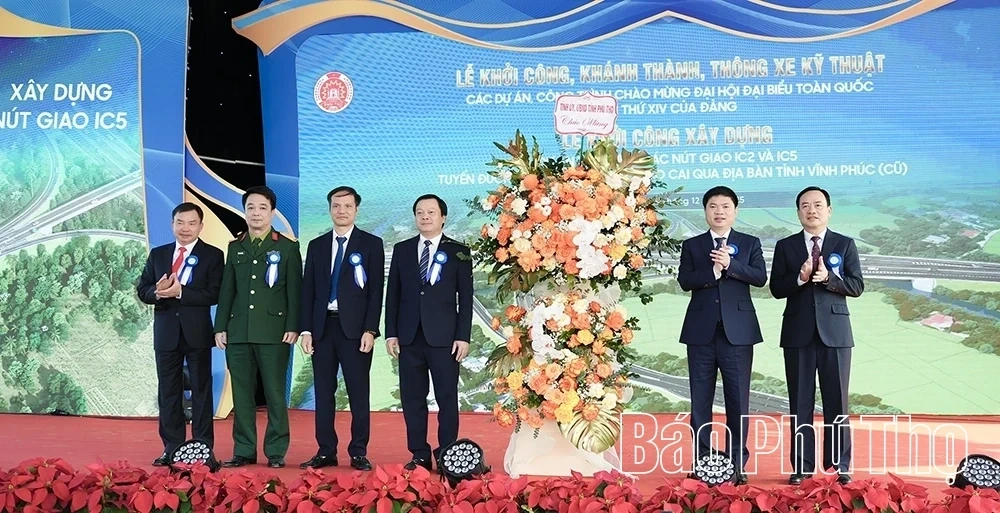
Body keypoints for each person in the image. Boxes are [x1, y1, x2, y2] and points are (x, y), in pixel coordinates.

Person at [770, 186, 864, 485]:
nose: (812, 210)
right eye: (805, 205)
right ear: (798, 212)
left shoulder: (844, 244)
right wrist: (800, 278)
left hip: (835, 334)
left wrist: (829, 279)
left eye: (818, 205)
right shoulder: (786, 246)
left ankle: (839, 466)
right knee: (800, 403)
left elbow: (857, 286)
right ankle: (802, 465)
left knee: (837, 402)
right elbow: (776, 288)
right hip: (797, 333)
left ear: (829, 210)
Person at [676, 186, 767, 484]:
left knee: (737, 401)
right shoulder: (692, 245)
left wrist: (731, 266)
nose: (719, 211)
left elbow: (759, 277)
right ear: (705, 211)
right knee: (700, 402)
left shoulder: (749, 243)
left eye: (725, 206)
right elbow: (685, 281)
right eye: (713, 206)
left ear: (735, 211)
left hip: (738, 335)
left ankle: (737, 464)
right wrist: (712, 273)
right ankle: (703, 462)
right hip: (700, 334)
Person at [214, 185, 302, 468]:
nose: (256, 213)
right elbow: (227, 290)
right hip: (239, 332)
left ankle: (276, 451)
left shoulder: (287, 247)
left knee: (274, 394)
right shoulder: (235, 246)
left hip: (275, 332)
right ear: (244, 211)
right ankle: (244, 450)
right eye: (250, 207)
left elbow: (294, 291)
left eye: (262, 207)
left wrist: (293, 325)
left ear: (272, 212)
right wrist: (220, 326)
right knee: (242, 395)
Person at [384, 194, 473, 471]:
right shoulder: (402, 250)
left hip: (445, 339)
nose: (425, 217)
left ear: (443, 217)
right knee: (412, 399)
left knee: (447, 398)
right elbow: (393, 294)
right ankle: (419, 454)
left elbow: (466, 298)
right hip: (409, 337)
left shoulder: (459, 251)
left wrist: (463, 336)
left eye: (431, 212)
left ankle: (447, 453)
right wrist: (391, 333)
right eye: (420, 212)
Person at [298, 186, 384, 471]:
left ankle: (358, 451)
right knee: (323, 394)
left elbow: (376, 292)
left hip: (356, 332)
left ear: (356, 209)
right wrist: (306, 330)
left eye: (347, 206)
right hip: (322, 330)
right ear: (330, 209)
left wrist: (370, 329)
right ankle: (326, 451)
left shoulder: (371, 244)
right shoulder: (317, 245)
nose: (342, 210)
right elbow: (308, 290)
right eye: (336, 205)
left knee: (358, 393)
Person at [136, 202, 224, 467]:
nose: (185, 228)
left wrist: (181, 292)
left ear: (200, 226)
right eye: (180, 223)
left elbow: (214, 293)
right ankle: (171, 447)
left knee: (201, 391)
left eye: (191, 223)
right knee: (168, 392)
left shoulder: (213, 255)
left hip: (197, 333)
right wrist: (158, 292)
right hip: (166, 334)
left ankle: (202, 447)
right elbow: (142, 290)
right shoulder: (158, 254)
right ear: (172, 224)